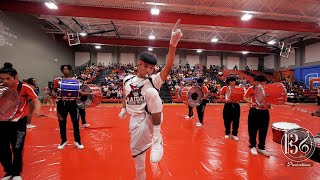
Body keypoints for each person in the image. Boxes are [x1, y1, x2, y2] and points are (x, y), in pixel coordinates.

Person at [118, 20, 182, 180]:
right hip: (134, 122)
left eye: (152, 68)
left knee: (153, 93)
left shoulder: (153, 80)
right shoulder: (127, 80)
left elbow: (168, 67)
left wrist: (172, 45)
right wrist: (123, 108)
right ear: (139, 64)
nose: (149, 70)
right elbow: (126, 95)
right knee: (139, 164)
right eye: (146, 66)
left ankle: (157, 139)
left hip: (150, 118)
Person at [0, 63, 41, 180]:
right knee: (2, 149)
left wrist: (36, 112)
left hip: (18, 122)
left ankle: (17, 173)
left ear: (15, 77)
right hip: (2, 122)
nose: (5, 81)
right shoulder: (1, 88)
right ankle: (9, 171)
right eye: (2, 79)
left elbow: (36, 101)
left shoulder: (25, 87)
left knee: (17, 147)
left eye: (8, 78)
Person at [53, 65, 90, 150]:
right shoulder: (58, 80)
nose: (66, 70)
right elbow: (54, 91)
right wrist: (53, 94)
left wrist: (89, 94)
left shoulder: (76, 80)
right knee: (62, 123)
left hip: (73, 103)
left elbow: (80, 92)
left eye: (67, 69)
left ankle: (77, 141)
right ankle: (63, 141)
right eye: (64, 69)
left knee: (76, 123)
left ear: (69, 70)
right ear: (62, 70)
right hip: (61, 104)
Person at [243, 75, 270, 157]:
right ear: (256, 82)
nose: (263, 83)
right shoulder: (251, 88)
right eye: (261, 82)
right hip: (254, 111)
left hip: (265, 111)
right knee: (252, 129)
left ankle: (261, 147)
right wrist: (251, 103)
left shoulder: (267, 89)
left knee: (263, 130)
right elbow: (244, 97)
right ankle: (253, 146)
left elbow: (271, 99)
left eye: (264, 82)